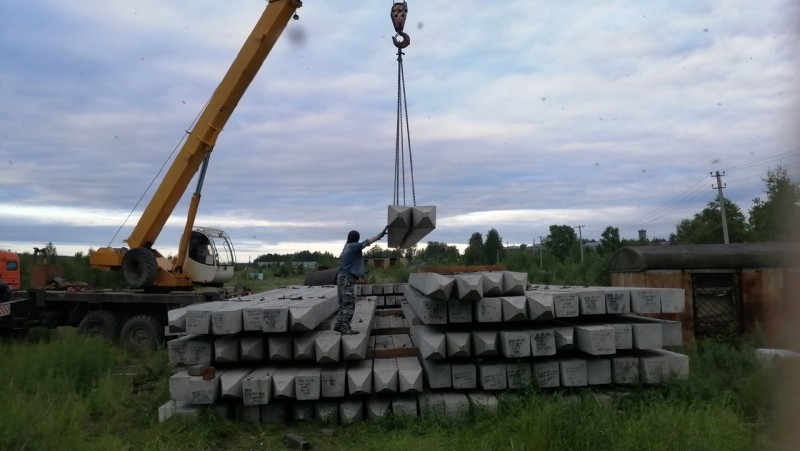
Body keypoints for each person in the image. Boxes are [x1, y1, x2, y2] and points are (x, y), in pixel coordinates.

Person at [335, 227, 387, 334]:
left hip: (340, 276)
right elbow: (367, 242)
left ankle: (339, 324)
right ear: (356, 239)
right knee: (349, 304)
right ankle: (345, 328)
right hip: (347, 278)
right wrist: (379, 235)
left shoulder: (346, 246)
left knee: (342, 303)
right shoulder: (354, 246)